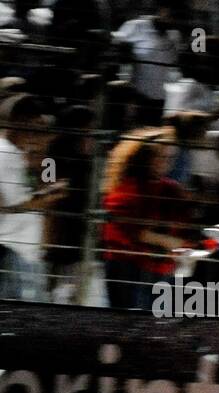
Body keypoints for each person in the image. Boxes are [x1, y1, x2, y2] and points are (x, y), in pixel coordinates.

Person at [100, 127, 192, 310]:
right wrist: (167, 240)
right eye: (160, 157)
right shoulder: (127, 186)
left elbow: (183, 227)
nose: (164, 163)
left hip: (160, 269)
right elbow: (128, 228)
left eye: (169, 158)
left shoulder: (172, 189)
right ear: (145, 157)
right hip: (127, 267)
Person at [0, 94, 61, 302]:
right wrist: (42, 199)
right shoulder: (5, 154)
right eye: (36, 127)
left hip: (30, 253)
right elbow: (8, 205)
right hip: (13, 251)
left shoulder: (40, 159)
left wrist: (44, 157)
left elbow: (48, 192)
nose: (41, 135)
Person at [43, 105, 95, 304]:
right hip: (58, 227)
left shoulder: (90, 160)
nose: (91, 137)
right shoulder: (53, 153)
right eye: (88, 131)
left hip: (79, 233)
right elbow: (47, 183)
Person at [112, 1, 183, 125]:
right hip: (136, 97)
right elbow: (116, 46)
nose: (172, 19)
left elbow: (173, 63)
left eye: (176, 16)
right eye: (171, 14)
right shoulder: (137, 26)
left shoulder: (174, 36)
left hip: (160, 99)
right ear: (162, 10)